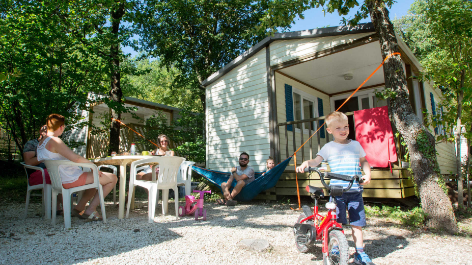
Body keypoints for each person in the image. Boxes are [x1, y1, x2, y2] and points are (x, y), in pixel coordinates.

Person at [296, 111, 373, 265]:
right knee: (335, 223)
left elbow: (364, 161)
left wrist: (368, 174)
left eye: (345, 126)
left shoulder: (355, 145)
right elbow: (316, 161)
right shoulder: (328, 147)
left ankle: (360, 253)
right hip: (337, 191)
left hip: (355, 190)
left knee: (357, 224)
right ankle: (336, 246)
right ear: (330, 131)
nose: (343, 130)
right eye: (338, 128)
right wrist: (306, 163)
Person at [37, 114, 117, 221]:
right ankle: (91, 209)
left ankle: (79, 208)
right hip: (69, 178)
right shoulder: (55, 140)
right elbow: (76, 158)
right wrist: (93, 166)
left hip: (58, 179)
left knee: (94, 181)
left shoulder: (41, 143)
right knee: (112, 178)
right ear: (61, 127)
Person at [23, 125, 63, 215]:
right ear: (42, 132)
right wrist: (45, 154)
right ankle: (66, 208)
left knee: (67, 174)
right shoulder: (32, 144)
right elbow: (28, 162)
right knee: (54, 175)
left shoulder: (55, 144)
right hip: (37, 173)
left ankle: (59, 208)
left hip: (52, 170)